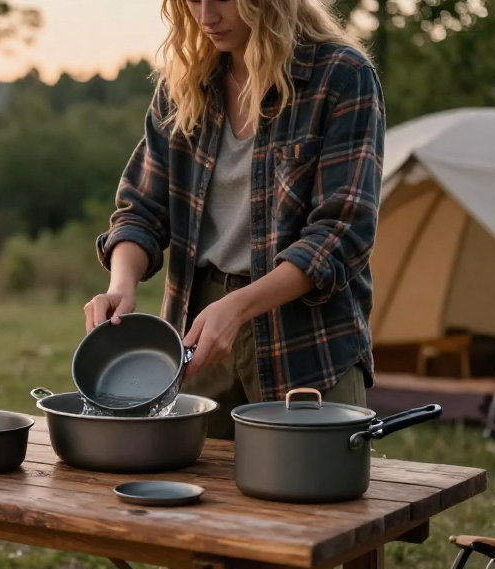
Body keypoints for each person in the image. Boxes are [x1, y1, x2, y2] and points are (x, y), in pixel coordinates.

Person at [84, 0, 386, 441]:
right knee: (194, 499)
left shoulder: (342, 78)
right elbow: (141, 210)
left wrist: (239, 307)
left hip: (306, 340)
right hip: (198, 337)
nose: (205, 16)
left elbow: (340, 234)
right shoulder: (184, 85)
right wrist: (120, 286)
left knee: (315, 499)